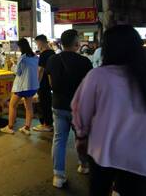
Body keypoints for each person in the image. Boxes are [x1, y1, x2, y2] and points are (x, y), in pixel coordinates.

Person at [72, 25, 146, 196]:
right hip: (143, 159)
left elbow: (80, 111)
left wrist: (81, 137)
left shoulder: (98, 77)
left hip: (103, 153)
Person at [46, 29, 92, 188]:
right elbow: (88, 87)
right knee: (81, 137)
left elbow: (51, 83)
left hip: (58, 105)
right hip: (78, 107)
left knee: (59, 140)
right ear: (77, 43)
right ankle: (84, 165)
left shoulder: (52, 60)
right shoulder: (85, 62)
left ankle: (58, 176)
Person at [0, 38, 39, 135]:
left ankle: (9, 127)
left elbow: (18, 72)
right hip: (32, 86)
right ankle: (27, 127)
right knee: (29, 107)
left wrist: (13, 64)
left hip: (22, 87)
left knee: (12, 105)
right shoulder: (35, 57)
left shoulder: (23, 57)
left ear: (21, 47)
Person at [33, 35, 55, 132]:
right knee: (48, 102)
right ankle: (49, 123)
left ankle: (46, 125)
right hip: (50, 82)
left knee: (43, 103)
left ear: (41, 42)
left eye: (37, 43)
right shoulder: (52, 52)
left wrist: (37, 83)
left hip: (43, 82)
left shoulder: (44, 54)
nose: (37, 45)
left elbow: (40, 70)